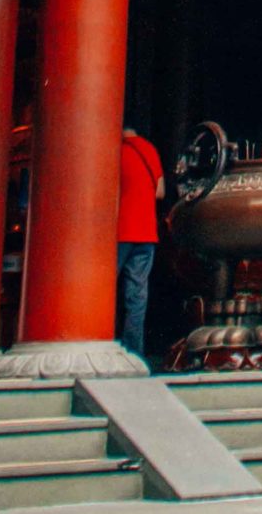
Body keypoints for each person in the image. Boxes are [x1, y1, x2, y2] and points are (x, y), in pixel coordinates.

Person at [117, 126, 165, 360]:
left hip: (118, 232)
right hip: (146, 232)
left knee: (105, 293)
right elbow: (160, 192)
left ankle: (101, 345)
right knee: (136, 296)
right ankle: (133, 354)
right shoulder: (150, 151)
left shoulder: (116, 152)